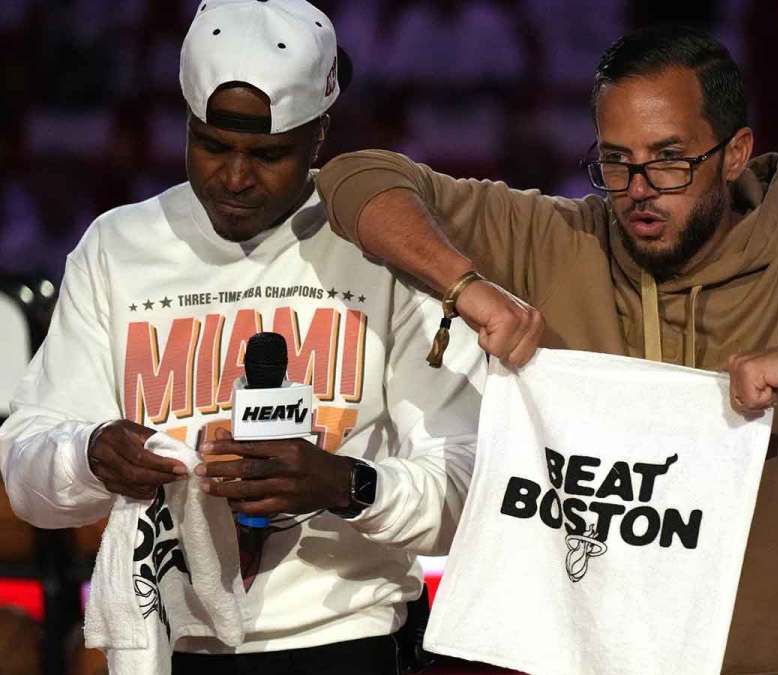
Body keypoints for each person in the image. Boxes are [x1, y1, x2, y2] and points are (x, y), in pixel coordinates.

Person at [316, 24, 778, 675]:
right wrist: (468, 288)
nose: (638, 192)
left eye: (670, 161)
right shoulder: (558, 239)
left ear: (735, 153)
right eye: (616, 163)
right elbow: (356, 178)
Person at [0, 1, 484, 673]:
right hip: (169, 642)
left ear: (319, 137)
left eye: (268, 153)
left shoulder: (383, 246)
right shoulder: (118, 244)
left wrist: (344, 483)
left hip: (345, 639)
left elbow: (470, 484)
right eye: (212, 144)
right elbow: (25, 467)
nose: (233, 176)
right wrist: (91, 453)